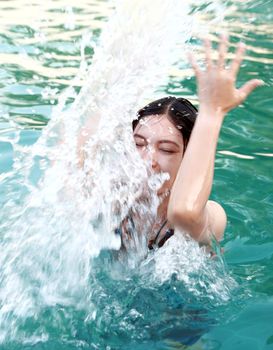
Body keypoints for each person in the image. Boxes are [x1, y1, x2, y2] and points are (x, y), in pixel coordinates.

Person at [79, 35, 263, 250]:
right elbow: (70, 173)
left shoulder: (213, 216)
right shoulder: (115, 202)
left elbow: (184, 212)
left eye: (166, 149)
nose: (149, 159)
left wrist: (213, 111)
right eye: (139, 144)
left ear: (189, 157)